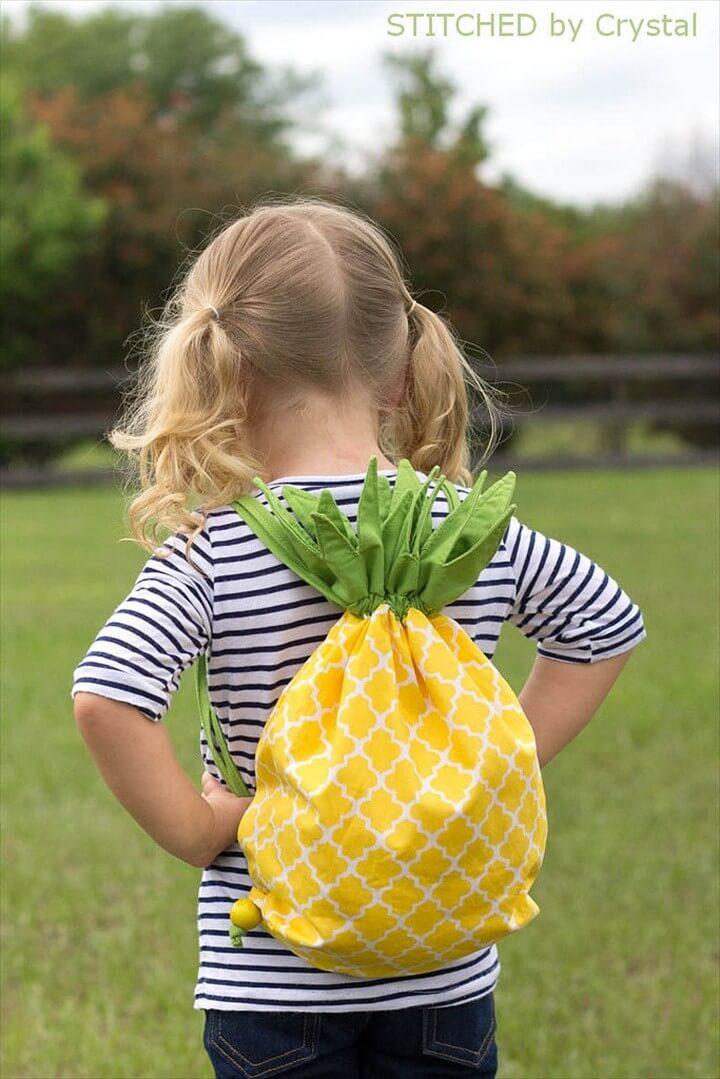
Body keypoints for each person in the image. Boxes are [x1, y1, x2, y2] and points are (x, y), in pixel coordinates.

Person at [71, 198, 646, 1078]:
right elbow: (603, 625)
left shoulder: (217, 549)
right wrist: (497, 757)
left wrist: (199, 831)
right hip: (443, 965)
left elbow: (109, 695)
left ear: (225, 371)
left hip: (275, 976)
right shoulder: (468, 529)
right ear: (397, 369)